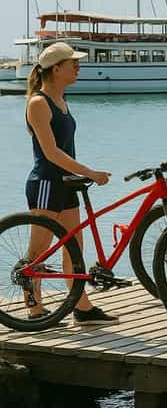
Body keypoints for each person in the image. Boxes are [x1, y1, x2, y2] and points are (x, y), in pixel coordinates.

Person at [24, 42, 117, 325]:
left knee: (74, 247)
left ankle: (82, 306)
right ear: (56, 69)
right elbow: (51, 153)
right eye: (72, 63)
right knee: (38, 250)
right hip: (46, 184)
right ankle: (34, 308)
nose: (78, 67)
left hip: (66, 184)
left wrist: (80, 176)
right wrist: (90, 172)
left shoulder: (62, 101)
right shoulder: (39, 103)